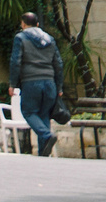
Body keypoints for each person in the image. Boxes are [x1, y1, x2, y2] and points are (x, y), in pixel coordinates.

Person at [7, 12, 64, 156]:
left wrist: (12, 83)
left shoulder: (21, 38)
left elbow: (16, 61)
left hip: (31, 82)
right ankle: (43, 152)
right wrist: (59, 86)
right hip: (50, 82)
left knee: (28, 111)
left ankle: (46, 135)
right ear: (38, 24)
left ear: (23, 24)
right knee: (43, 114)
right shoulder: (49, 39)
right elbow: (58, 63)